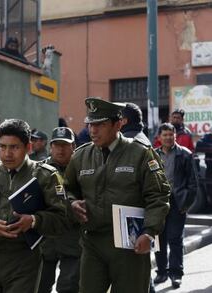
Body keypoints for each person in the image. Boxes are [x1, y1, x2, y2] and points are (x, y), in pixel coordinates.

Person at [65, 97, 170, 293]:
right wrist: (71, 203)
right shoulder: (80, 156)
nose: (93, 131)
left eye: (100, 124)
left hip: (130, 245)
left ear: (118, 123)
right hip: (92, 242)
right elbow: (67, 189)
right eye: (90, 125)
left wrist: (149, 232)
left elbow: (159, 196)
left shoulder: (140, 154)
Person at [0, 119, 68, 293]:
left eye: (14, 147)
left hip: (25, 258)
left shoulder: (45, 176)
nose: (7, 153)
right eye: (3, 147)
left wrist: (33, 221)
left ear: (28, 147)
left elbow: (62, 219)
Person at [153, 123, 197, 289]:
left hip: (178, 203)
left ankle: (176, 274)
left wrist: (186, 204)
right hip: (158, 203)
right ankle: (161, 272)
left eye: (171, 135)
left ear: (175, 136)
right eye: (165, 135)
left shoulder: (185, 155)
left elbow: (193, 184)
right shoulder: (153, 155)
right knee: (159, 239)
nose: (168, 138)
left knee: (175, 240)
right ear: (159, 137)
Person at [38, 127, 81, 293]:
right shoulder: (39, 170)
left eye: (65, 145)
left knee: (68, 287)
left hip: (73, 240)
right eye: (56, 145)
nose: (60, 149)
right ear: (50, 147)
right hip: (45, 240)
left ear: (73, 147)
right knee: (40, 286)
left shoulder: (82, 170)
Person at [120, 102, 156, 293]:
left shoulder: (131, 143)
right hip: (143, 214)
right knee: (141, 272)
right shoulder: (144, 139)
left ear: (124, 121)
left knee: (135, 273)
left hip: (130, 216)